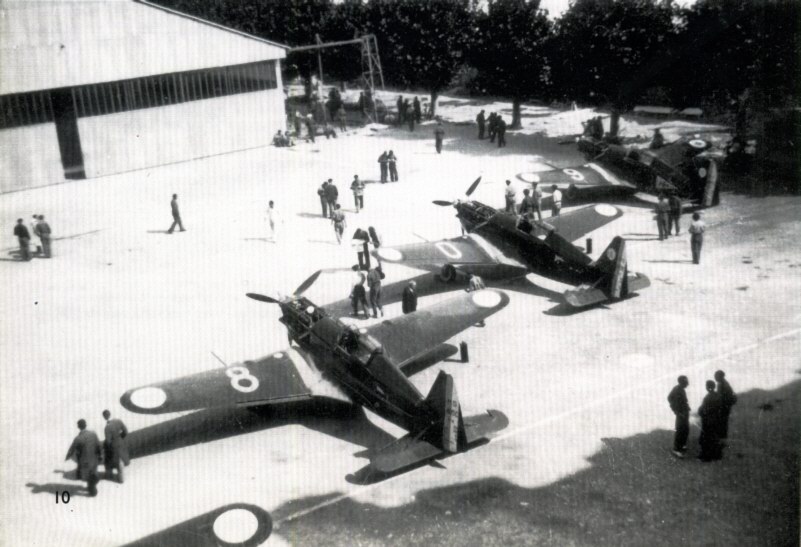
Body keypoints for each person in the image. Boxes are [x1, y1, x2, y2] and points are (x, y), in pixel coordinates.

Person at [65, 419, 102, 496]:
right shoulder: (93, 434)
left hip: (85, 461)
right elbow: (98, 445)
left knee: (89, 476)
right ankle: (91, 487)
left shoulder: (78, 438)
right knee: (93, 473)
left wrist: (67, 457)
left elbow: (72, 449)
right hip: (94, 459)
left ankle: (93, 491)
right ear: (86, 425)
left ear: (78, 427)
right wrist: (100, 455)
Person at [698, 380, 723, 461]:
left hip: (708, 419)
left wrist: (701, 412)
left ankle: (706, 456)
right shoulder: (717, 395)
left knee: (706, 437)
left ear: (707, 387)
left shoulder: (708, 397)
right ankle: (716, 455)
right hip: (715, 419)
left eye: (707, 386)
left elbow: (704, 408)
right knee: (714, 437)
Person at [102, 410, 129, 483]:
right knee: (121, 459)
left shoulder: (107, 427)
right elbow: (126, 431)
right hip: (121, 443)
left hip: (114, 446)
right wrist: (120, 438)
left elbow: (108, 441)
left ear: (104, 417)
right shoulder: (118, 421)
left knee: (112, 460)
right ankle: (121, 478)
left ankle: (111, 474)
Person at [667, 376, 690, 458]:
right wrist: (676, 410)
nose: (687, 383)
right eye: (686, 382)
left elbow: (669, 397)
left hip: (684, 412)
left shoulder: (680, 389)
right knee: (680, 430)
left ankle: (682, 444)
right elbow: (670, 398)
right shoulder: (677, 390)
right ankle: (676, 449)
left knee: (685, 429)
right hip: (681, 413)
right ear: (682, 382)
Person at [715, 370, 737, 441]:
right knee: (723, 422)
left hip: (723, 406)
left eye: (716, 375)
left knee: (722, 422)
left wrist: (718, 406)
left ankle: (722, 438)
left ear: (720, 376)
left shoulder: (721, 384)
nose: (715, 377)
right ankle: (722, 437)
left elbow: (720, 397)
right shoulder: (724, 383)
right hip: (726, 406)